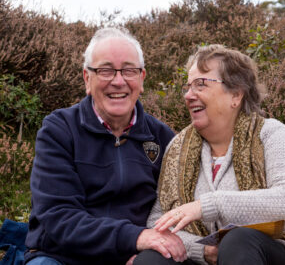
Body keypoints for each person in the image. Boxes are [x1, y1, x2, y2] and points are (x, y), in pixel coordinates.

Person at [133, 45, 285, 265]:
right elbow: (157, 223)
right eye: (188, 87)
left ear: (236, 95)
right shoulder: (177, 149)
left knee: (238, 241)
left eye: (201, 84)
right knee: (151, 259)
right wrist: (203, 251)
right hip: (205, 260)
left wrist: (207, 206)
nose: (189, 95)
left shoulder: (271, 134)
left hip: (271, 253)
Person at [24, 27, 187, 265]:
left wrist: (144, 254)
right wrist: (137, 237)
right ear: (87, 79)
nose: (118, 81)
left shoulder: (162, 137)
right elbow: (59, 217)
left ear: (141, 79)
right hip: (61, 256)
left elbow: (173, 212)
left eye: (129, 70)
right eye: (106, 70)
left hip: (133, 257)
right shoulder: (58, 130)